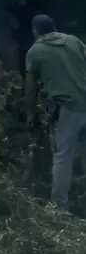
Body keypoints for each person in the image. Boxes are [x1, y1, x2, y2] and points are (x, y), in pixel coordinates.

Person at [25, 14, 86, 207]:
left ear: (35, 30)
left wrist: (30, 115)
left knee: (63, 157)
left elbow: (30, 88)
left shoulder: (35, 51)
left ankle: (59, 208)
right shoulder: (74, 41)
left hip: (67, 109)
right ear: (54, 27)